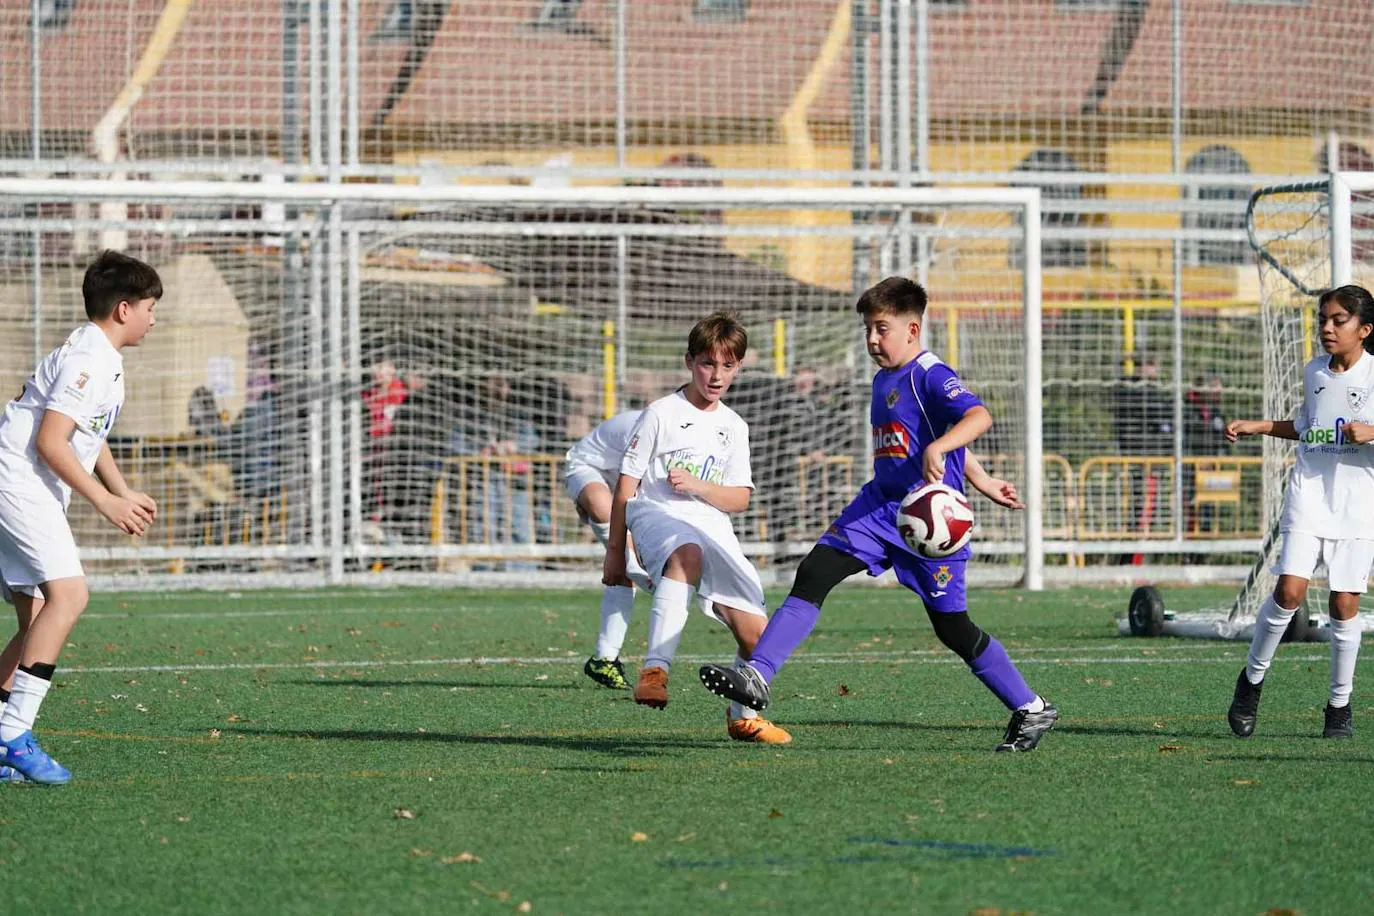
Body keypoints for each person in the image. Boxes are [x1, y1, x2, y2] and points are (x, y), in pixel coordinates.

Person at [698, 277, 1058, 752]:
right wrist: (983, 478)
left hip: (929, 522)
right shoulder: (883, 377)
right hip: (878, 507)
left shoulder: (930, 372)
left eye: (881, 328)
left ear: (912, 328)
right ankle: (758, 676)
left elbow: (976, 417)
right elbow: (933, 434)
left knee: (953, 628)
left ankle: (1031, 708)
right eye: (868, 328)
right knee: (814, 572)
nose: (872, 339)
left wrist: (948, 452)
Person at [0, 250, 161, 784]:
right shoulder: (89, 361)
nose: (153, 317)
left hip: (19, 481)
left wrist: (121, 488)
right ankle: (13, 734)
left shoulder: (97, 352)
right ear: (122, 309)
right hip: (18, 483)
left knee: (36, 618)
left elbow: (85, 436)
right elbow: (51, 441)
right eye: (149, 306)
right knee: (70, 596)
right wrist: (106, 502)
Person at [603, 311, 791, 745]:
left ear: (739, 368)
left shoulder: (734, 426)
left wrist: (701, 486)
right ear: (690, 361)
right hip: (655, 514)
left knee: (756, 635)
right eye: (708, 363)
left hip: (711, 523)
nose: (717, 375)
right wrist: (616, 551)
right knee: (687, 553)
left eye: (728, 365)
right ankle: (655, 671)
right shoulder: (660, 413)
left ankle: (744, 716)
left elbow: (740, 498)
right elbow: (626, 485)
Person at [1225, 284, 1374, 740]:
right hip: (1309, 492)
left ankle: (1339, 706)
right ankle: (1251, 681)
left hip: (1358, 501)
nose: (1327, 329)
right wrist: (1261, 425)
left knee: (1344, 604)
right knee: (1290, 591)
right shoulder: (1314, 371)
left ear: (1364, 329)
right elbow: (1309, 426)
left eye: (1338, 321)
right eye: (1323, 320)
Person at [564, 410, 653, 689]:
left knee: (626, 572)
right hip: (588, 469)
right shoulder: (648, 425)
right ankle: (649, 578)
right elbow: (629, 487)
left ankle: (604, 659)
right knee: (608, 515)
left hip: (627, 486)